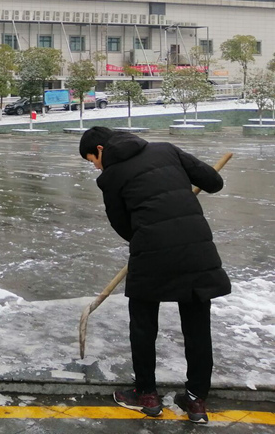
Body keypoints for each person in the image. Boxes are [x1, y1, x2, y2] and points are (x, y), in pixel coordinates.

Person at [79, 126, 229, 424]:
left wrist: (151, 227)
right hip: (196, 249)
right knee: (198, 327)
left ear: (100, 149)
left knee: (144, 325)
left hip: (151, 253)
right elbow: (213, 182)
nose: (95, 166)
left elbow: (124, 227)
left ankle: (146, 394)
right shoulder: (166, 149)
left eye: (92, 160)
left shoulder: (110, 177)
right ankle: (197, 401)